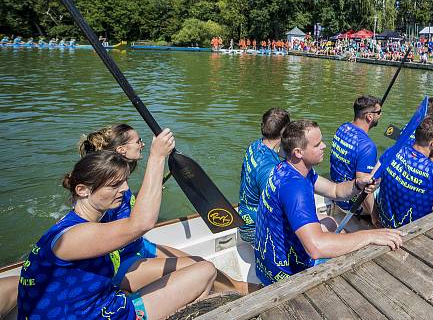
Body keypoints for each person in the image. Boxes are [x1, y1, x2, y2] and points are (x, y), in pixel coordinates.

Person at [18, 133, 216, 320]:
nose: (124, 190)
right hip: (99, 314)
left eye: (125, 181)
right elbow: (142, 223)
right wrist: (157, 157)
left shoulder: (74, 223)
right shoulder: (76, 235)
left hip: (97, 305)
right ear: (83, 190)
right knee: (206, 271)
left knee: (200, 269)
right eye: (114, 185)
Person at [78, 124, 251, 296]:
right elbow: (139, 223)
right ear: (122, 149)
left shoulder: (120, 176)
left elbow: (125, 208)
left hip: (138, 245)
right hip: (121, 262)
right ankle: (242, 290)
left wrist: (146, 193)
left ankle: (237, 287)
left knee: (197, 261)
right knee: (197, 267)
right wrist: (157, 155)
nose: (143, 144)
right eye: (138, 141)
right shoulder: (104, 186)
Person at [253, 120, 403, 285]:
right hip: (285, 274)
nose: (324, 146)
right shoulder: (296, 188)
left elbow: (335, 190)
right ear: (298, 152)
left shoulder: (287, 168)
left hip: (266, 262)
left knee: (331, 222)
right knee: (356, 257)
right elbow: (316, 248)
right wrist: (369, 235)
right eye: (317, 144)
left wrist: (358, 184)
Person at [238, 108, 291, 243]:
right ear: (283, 132)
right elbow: (273, 210)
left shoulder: (255, 146)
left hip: (244, 218)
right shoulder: (270, 171)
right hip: (256, 230)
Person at [329, 95, 382, 214]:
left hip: (337, 193)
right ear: (369, 116)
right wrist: (374, 215)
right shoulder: (368, 147)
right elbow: (365, 188)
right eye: (379, 112)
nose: (380, 115)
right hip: (350, 204)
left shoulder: (343, 128)